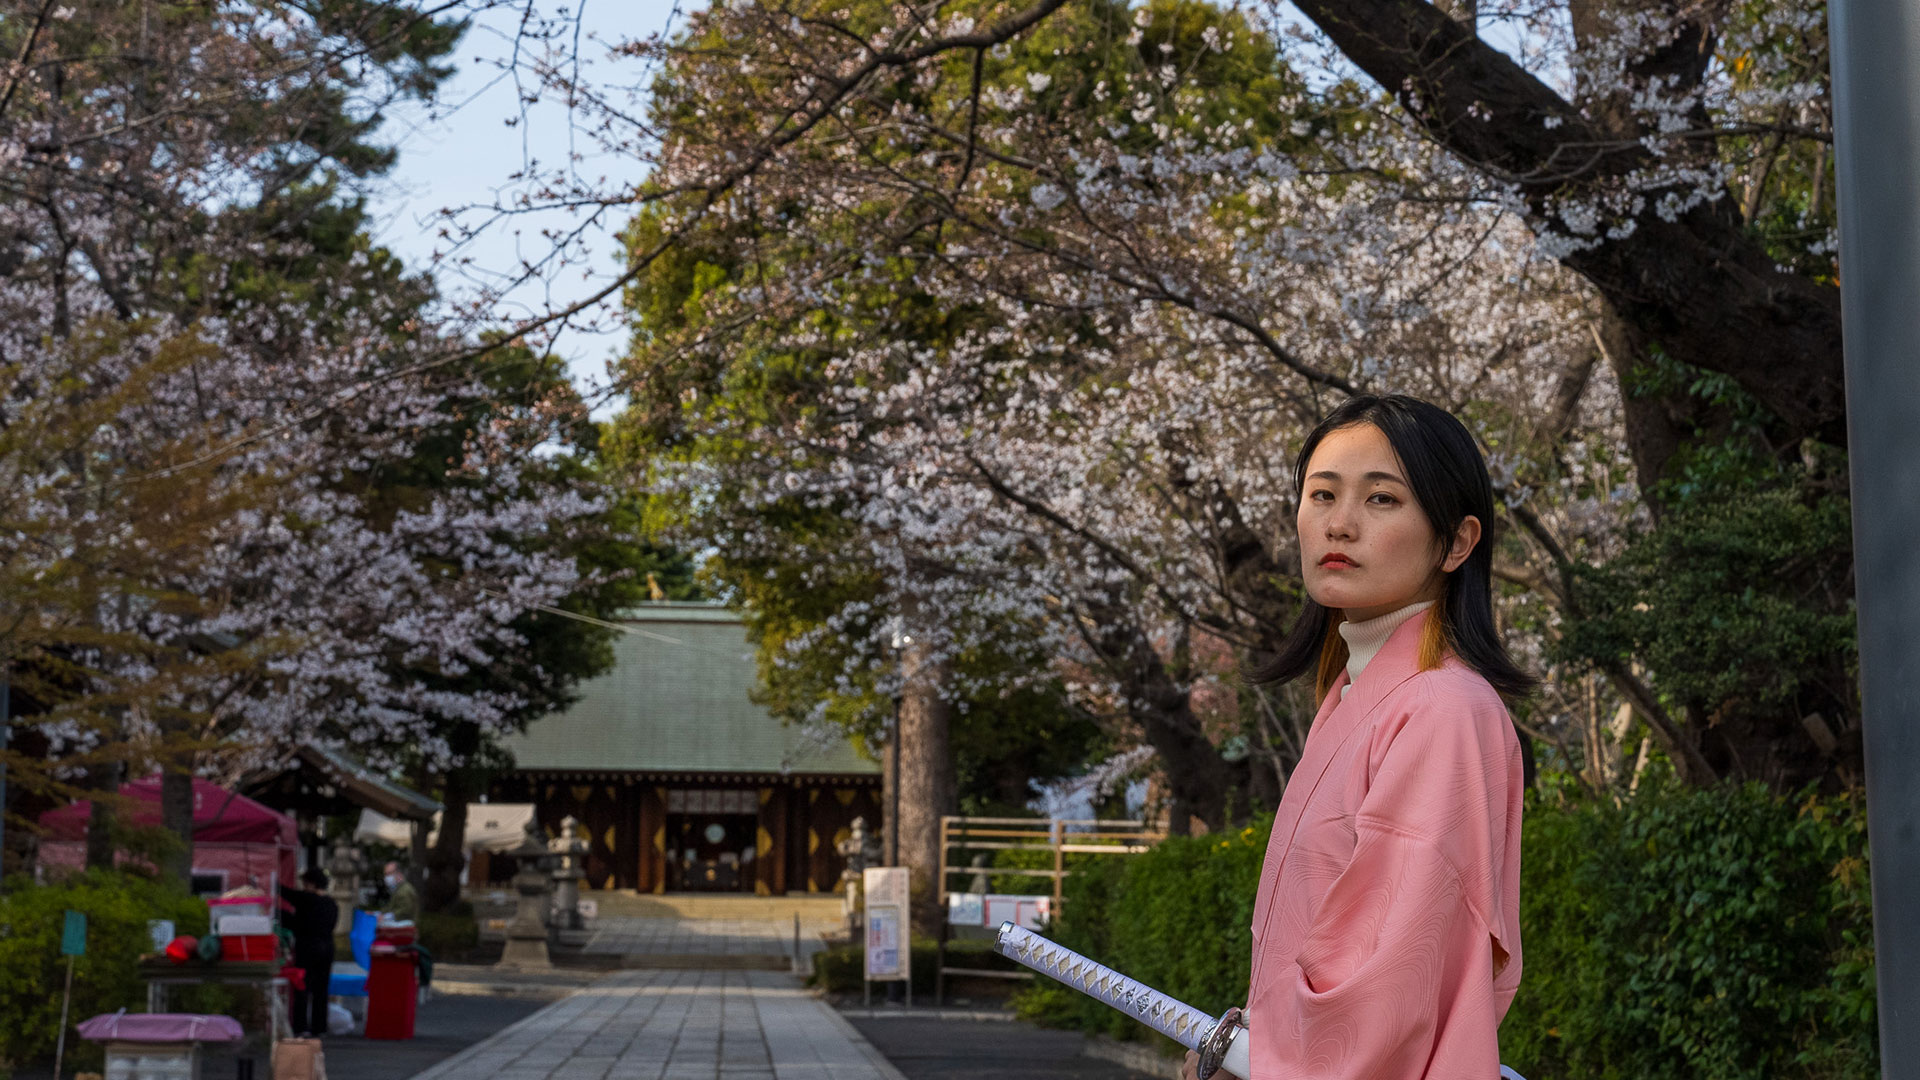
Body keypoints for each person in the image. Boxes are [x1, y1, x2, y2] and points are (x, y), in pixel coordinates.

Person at [1182, 395, 1535, 1080]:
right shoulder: (1349, 697)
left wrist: (1256, 1056)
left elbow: (1386, 982)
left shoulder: (1440, 707)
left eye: (1381, 500)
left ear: (1458, 542)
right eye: (1321, 495)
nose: (1338, 525)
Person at [280, 867, 339, 1038]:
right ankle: (319, 1026)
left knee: (302, 987)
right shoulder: (331, 904)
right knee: (321, 989)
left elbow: (286, 894)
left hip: (307, 947)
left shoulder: (307, 899)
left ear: (311, 884)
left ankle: (300, 1026)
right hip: (327, 947)